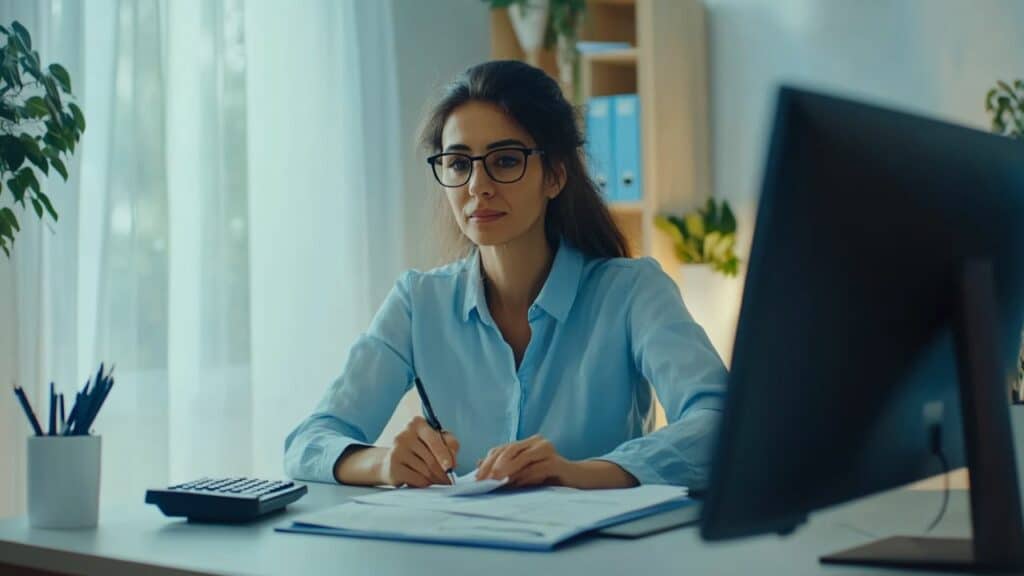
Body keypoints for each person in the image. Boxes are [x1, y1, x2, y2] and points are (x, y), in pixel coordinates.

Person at [284, 60, 727, 490]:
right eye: (459, 164)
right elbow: (309, 442)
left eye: (506, 160)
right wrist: (384, 463)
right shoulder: (418, 303)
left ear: (554, 175)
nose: (478, 185)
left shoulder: (632, 292)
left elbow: (721, 423)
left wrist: (582, 474)